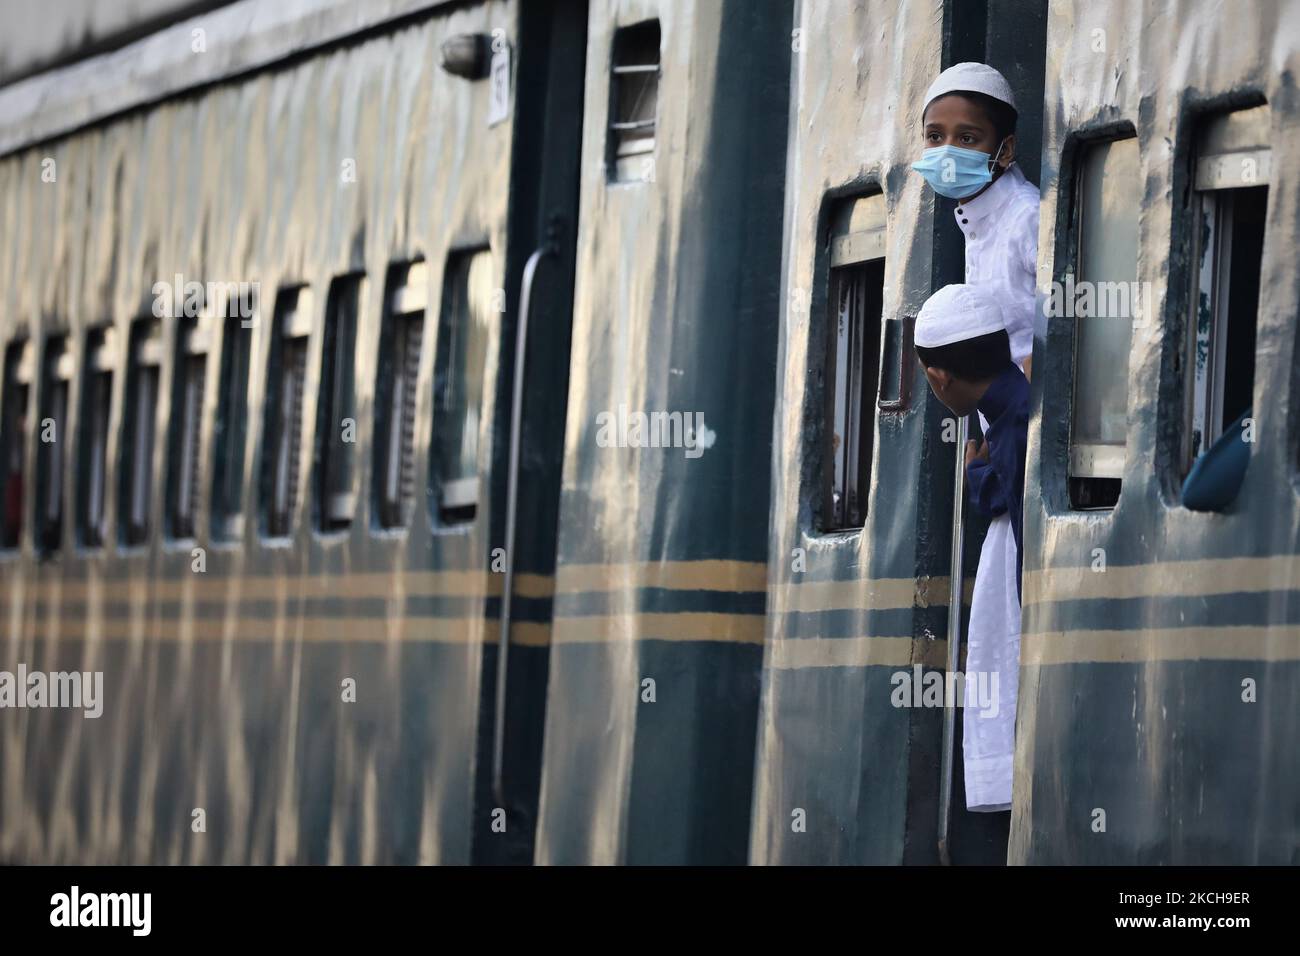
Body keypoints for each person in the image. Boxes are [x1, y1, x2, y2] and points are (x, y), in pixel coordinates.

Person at [912, 62, 1039, 814]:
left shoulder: (1023, 218)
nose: (947, 149)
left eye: (967, 136)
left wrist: (1003, 405)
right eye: (935, 136)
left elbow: (1046, 331)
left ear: (1005, 150)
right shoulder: (976, 221)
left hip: (1019, 426)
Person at [915, 284, 1030, 814]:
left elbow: (1007, 490)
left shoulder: (1009, 424)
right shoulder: (1016, 398)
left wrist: (976, 474)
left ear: (940, 378)